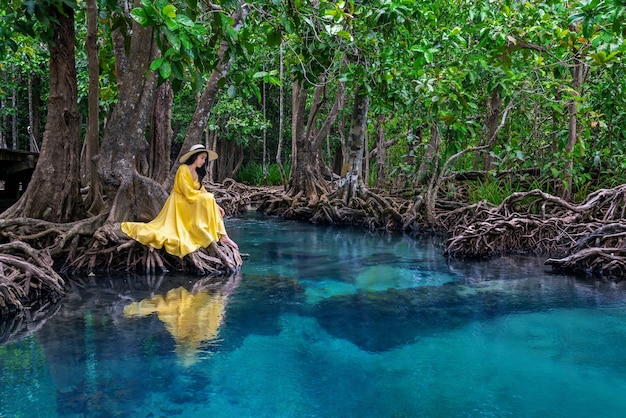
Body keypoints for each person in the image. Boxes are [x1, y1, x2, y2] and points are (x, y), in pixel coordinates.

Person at [121, 144, 238, 258]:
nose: (203, 161)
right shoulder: (183, 169)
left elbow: (202, 190)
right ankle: (221, 235)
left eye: (205, 159)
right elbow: (186, 191)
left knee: (209, 198)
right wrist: (209, 199)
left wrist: (216, 205)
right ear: (194, 157)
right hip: (180, 201)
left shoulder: (197, 173)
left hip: (190, 201)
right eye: (202, 158)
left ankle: (223, 235)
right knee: (208, 198)